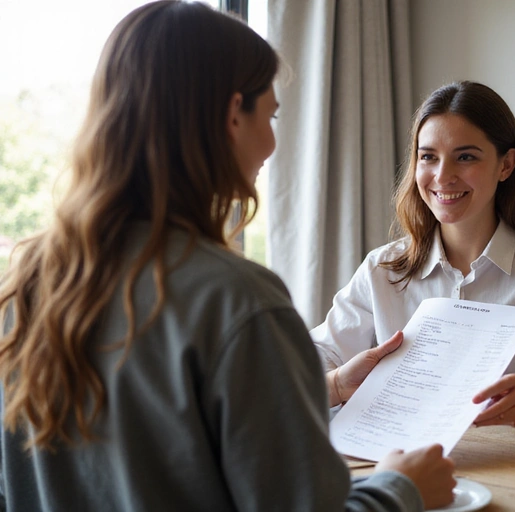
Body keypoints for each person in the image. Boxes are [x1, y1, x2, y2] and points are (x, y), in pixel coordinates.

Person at [0, 2, 455, 511]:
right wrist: (400, 488)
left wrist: (324, 388)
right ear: (232, 114)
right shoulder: (237, 300)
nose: (272, 142)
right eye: (271, 114)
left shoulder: (28, 284)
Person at [312, 81, 515, 431]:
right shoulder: (382, 270)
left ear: (506, 165)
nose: (442, 176)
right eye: (428, 157)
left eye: (465, 157)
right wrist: (334, 385)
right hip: (405, 469)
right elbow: (309, 362)